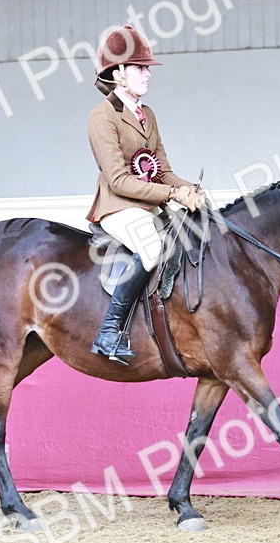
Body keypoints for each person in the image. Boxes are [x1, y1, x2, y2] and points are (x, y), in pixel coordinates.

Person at [86, 25, 205, 365]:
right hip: (118, 206)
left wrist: (188, 190)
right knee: (152, 249)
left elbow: (162, 168)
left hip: (148, 205)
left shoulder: (147, 114)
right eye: (140, 68)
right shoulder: (101, 117)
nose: (147, 74)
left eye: (147, 68)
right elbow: (119, 180)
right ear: (118, 73)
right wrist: (172, 193)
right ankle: (109, 332)